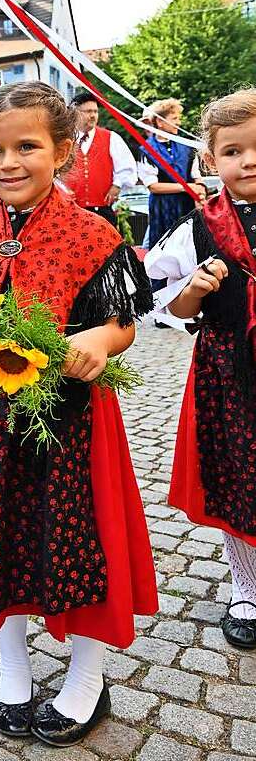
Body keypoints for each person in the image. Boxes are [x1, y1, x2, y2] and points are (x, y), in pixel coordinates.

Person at [0, 83, 157, 746]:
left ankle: (87, 674)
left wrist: (97, 340)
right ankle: (12, 665)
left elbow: (121, 324)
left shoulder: (92, 233)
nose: (8, 162)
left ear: (61, 151)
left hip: (69, 426)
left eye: (26, 146)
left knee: (78, 545)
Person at [145, 88, 256, 652]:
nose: (249, 161)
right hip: (229, 368)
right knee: (236, 475)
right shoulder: (197, 227)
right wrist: (195, 288)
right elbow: (170, 305)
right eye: (233, 151)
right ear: (211, 159)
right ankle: (245, 585)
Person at [138, 98, 207, 247]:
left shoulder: (187, 146)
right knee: (163, 247)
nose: (179, 123)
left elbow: (196, 176)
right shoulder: (146, 150)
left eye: (178, 118)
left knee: (189, 247)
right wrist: (187, 187)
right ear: (160, 122)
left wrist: (200, 193)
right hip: (162, 208)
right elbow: (153, 186)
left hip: (186, 207)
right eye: (174, 118)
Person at [66, 91, 137, 223]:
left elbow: (127, 166)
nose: (93, 116)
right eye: (87, 111)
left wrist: (117, 185)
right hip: (70, 210)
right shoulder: (64, 139)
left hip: (103, 210)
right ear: (74, 113)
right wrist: (63, 191)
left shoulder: (111, 138)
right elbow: (53, 172)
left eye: (95, 111)